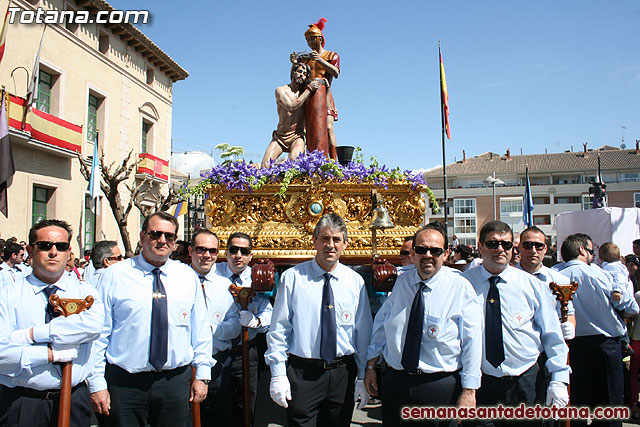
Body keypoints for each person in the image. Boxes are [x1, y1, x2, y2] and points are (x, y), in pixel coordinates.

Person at [88, 211, 214, 427]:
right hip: (126, 384)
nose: (162, 240)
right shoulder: (115, 276)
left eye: (170, 236)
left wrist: (202, 374)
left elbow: (200, 329)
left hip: (174, 383)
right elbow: (99, 334)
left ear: (175, 243)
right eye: (155, 234)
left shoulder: (186, 276)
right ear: (142, 236)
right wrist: (96, 383)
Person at [365, 222, 482, 426]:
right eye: (421, 249)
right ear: (414, 252)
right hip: (397, 383)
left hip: (438, 387)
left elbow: (473, 341)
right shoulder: (400, 282)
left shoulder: (460, 287)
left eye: (435, 250)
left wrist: (469, 390)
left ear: (445, 254)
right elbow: (382, 327)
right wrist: (370, 365)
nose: (428, 255)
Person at [265, 213, 373, 426]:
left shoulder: (355, 282)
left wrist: (361, 376)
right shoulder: (293, 278)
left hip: (342, 373)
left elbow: (362, 334)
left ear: (345, 244)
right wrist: (277, 374)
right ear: (314, 241)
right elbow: (279, 330)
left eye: (336, 239)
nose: (330, 245)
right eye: (324, 238)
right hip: (303, 374)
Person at [463, 221, 570, 426]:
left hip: (526, 379)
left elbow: (551, 334)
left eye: (506, 244)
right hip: (482, 382)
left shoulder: (531, 284)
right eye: (493, 244)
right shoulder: (463, 284)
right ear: (480, 246)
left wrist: (559, 379)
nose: (500, 249)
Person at [0, 219, 105, 427]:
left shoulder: (86, 293)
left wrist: (32, 334)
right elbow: (2, 352)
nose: (53, 252)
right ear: (30, 250)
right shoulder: (8, 295)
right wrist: (48, 355)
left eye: (61, 246)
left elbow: (92, 327)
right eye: (45, 245)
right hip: (24, 402)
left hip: (74, 399)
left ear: (68, 252)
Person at [559, 234, 638, 427]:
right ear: (582, 251)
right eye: (591, 251)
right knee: (608, 404)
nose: (594, 256)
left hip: (571, 346)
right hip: (605, 345)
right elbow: (629, 307)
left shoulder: (555, 274)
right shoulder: (600, 274)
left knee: (576, 403)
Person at [216, 232, 272, 426]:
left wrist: (255, 322)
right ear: (226, 252)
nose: (238, 255)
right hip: (216, 350)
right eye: (233, 249)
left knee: (246, 401)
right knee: (216, 403)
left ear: (250, 256)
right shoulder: (213, 274)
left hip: (245, 350)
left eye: (244, 251)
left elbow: (268, 314)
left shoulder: (258, 277)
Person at [188, 229, 240, 426]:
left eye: (212, 250)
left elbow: (235, 324)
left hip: (218, 364)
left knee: (218, 417)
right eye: (201, 250)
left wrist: (209, 330)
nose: (207, 255)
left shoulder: (225, 286)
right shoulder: (178, 281)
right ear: (191, 251)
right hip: (185, 367)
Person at [293, 18, 340, 160]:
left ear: (320, 39)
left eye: (313, 39)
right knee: (307, 131)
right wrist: (295, 63)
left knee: (328, 128)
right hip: (309, 96)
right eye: (308, 40)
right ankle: (307, 161)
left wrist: (319, 60)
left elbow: (336, 72)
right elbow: (297, 76)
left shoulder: (331, 55)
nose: (310, 43)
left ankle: (334, 161)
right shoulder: (306, 58)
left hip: (325, 96)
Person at [261, 62, 321, 168]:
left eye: (304, 73)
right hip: (280, 136)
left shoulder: (305, 93)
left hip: (296, 136)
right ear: (293, 72)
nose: (301, 75)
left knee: (296, 163)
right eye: (299, 71)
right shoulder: (281, 90)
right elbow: (292, 107)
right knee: (265, 166)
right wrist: (309, 89)